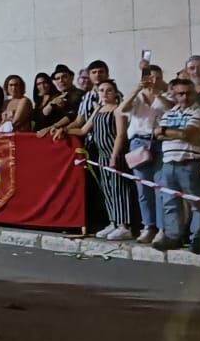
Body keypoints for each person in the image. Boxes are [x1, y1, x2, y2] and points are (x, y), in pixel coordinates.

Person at [66, 79, 134, 241]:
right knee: (107, 189)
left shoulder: (118, 110)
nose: (104, 93)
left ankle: (125, 225)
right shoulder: (98, 110)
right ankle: (113, 221)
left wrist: (114, 155)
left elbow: (120, 134)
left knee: (119, 189)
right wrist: (64, 130)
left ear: (115, 92)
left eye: (109, 90)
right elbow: (83, 130)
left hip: (114, 154)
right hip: (101, 154)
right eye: (101, 90)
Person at [152, 75, 200, 252]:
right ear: (174, 96)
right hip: (168, 163)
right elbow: (157, 135)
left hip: (189, 162)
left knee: (195, 202)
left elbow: (188, 133)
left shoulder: (198, 111)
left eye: (188, 93)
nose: (185, 97)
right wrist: (170, 132)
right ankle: (173, 236)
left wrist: (165, 131)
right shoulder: (170, 113)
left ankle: (197, 237)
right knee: (169, 201)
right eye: (180, 94)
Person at [119, 65, 168, 243]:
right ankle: (148, 226)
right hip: (139, 143)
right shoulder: (137, 96)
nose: (153, 81)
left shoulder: (166, 95)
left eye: (158, 77)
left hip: (160, 141)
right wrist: (137, 88)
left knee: (160, 187)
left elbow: (173, 108)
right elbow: (122, 109)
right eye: (150, 77)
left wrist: (159, 93)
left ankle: (162, 228)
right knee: (143, 187)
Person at [36, 63, 79, 131]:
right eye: (57, 78)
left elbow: (73, 115)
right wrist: (51, 104)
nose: (61, 80)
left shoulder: (80, 94)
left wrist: (52, 127)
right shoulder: (56, 96)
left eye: (64, 77)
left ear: (71, 77)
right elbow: (42, 116)